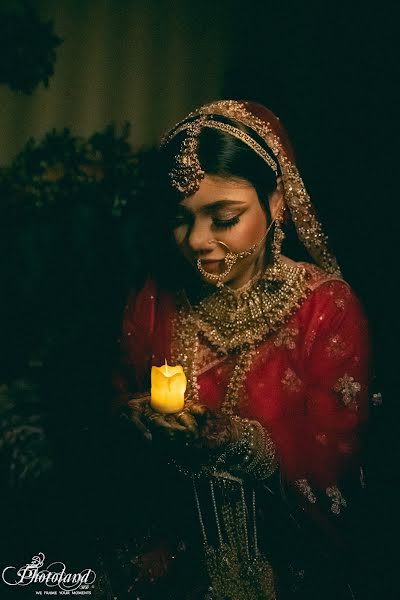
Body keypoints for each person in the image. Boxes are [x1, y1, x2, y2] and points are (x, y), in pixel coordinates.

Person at [104, 100, 371, 600]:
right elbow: (117, 403)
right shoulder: (154, 298)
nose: (197, 241)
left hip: (286, 563)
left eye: (224, 218)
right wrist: (133, 418)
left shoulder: (325, 309)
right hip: (169, 553)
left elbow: (340, 463)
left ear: (277, 203)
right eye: (180, 219)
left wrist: (247, 444)